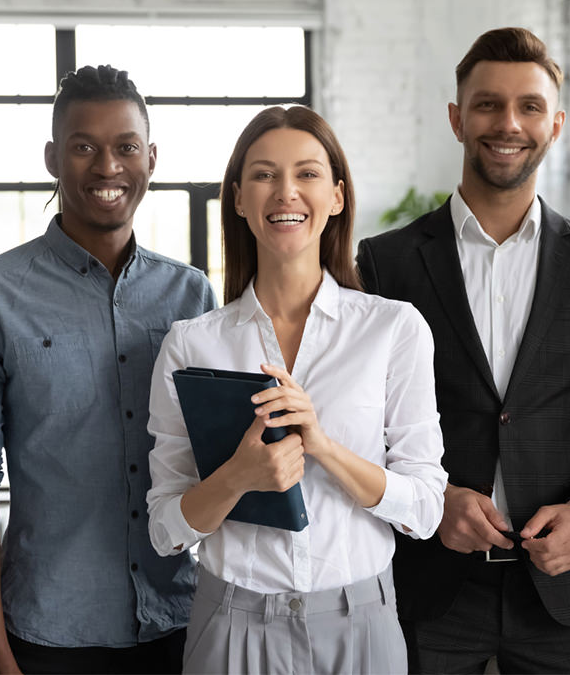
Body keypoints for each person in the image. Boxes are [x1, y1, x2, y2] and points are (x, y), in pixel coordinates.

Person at [356, 27, 570, 673]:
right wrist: (432, 503)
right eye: (488, 104)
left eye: (529, 106)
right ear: (457, 118)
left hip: (563, 590)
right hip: (428, 588)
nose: (508, 123)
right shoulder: (386, 263)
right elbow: (358, 429)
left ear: (555, 124)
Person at [145, 105, 447, 674]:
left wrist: (324, 447)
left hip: (361, 625)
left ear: (336, 195)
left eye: (307, 174)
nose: (286, 192)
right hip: (229, 625)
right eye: (264, 174)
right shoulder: (191, 344)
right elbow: (165, 528)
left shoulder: (393, 329)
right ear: (238, 198)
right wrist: (239, 476)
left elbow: (426, 510)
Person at [0, 64, 217, 675]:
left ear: (151, 158)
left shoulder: (192, 295)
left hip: (181, 624)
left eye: (125, 147)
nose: (107, 166)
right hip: (46, 635)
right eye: (83, 147)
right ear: (51, 158)